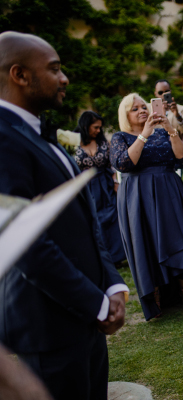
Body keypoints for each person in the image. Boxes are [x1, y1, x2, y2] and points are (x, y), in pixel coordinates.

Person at [0, 31, 128, 400]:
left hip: (85, 317)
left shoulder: (40, 133)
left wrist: (112, 284)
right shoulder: (3, 138)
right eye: (54, 69)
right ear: (20, 75)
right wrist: (97, 304)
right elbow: (25, 243)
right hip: (47, 326)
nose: (64, 78)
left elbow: (84, 222)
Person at [111, 93, 183, 320]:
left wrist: (168, 128)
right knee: (148, 244)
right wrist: (144, 134)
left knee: (178, 240)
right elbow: (124, 163)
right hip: (139, 197)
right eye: (135, 109)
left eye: (144, 106)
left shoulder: (163, 131)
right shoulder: (120, 137)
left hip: (169, 192)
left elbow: (181, 157)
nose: (142, 110)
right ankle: (154, 294)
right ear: (125, 115)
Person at [73, 111, 126, 265]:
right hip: (86, 186)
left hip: (105, 183)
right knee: (94, 219)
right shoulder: (73, 143)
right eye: (95, 127)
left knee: (112, 217)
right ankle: (102, 257)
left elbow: (111, 164)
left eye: (99, 128)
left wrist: (115, 182)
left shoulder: (104, 143)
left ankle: (117, 257)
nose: (98, 131)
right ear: (85, 125)